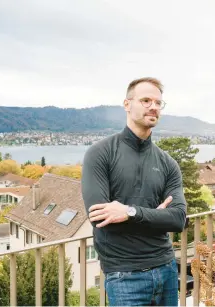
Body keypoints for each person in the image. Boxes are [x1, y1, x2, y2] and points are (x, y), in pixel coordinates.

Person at [81, 77, 187, 306]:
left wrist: (129, 212)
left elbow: (178, 219)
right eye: (146, 100)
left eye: (159, 103)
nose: (154, 107)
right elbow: (100, 217)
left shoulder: (168, 163)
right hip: (124, 276)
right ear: (127, 104)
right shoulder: (101, 154)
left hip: (167, 269)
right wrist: (156, 216)